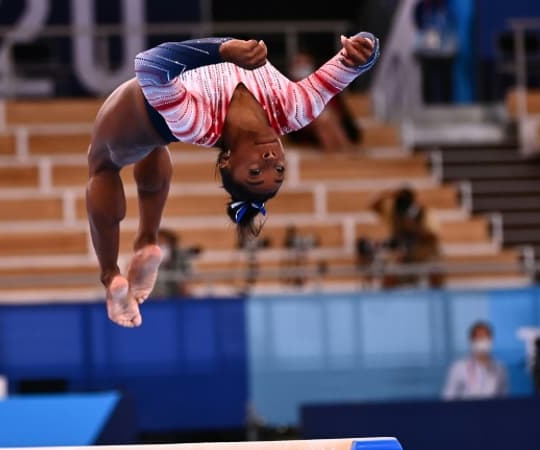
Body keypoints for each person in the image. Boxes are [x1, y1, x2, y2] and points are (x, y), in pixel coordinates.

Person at [88, 33, 380, 327]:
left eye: (255, 173)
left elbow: (148, 64)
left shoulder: (198, 121)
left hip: (132, 118)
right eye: (279, 171)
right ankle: (147, 241)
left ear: (226, 160)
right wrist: (365, 51)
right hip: (154, 128)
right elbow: (351, 63)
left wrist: (222, 50)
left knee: (102, 166)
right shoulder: (295, 109)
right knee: (154, 147)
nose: (270, 163)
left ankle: (110, 276)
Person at [370, 186, 444, 288]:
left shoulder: (424, 213)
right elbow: (373, 206)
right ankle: (387, 301)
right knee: (389, 272)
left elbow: (434, 236)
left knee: (435, 269)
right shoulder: (394, 213)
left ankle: (438, 299)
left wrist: (414, 227)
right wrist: (388, 194)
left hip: (422, 254)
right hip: (401, 255)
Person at [287, 52, 362, 152]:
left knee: (326, 117)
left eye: (305, 63)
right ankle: (344, 148)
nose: (303, 66)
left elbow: (338, 108)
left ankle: (337, 150)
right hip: (302, 127)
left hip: (329, 120)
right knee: (322, 117)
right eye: (299, 63)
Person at [443, 321, 509, 400]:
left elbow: (504, 398)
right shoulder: (459, 368)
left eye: (487, 337)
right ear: (472, 341)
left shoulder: (500, 368)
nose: (484, 341)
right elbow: (448, 398)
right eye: (480, 338)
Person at [149, 229, 199, 299]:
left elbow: (188, 281)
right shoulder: (147, 259)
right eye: (157, 243)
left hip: (177, 299)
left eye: (162, 242)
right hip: (155, 300)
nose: (160, 245)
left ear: (171, 244)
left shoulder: (181, 258)